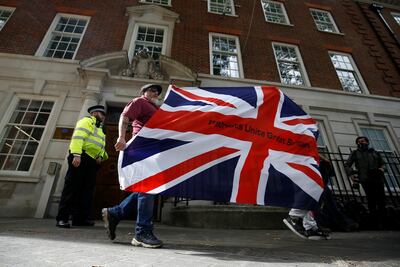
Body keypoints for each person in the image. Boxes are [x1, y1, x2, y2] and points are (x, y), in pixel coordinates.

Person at [102, 84, 163, 248]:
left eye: (157, 91)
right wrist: (121, 137)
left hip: (152, 150)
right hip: (141, 148)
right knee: (148, 186)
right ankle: (142, 232)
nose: (155, 92)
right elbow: (125, 116)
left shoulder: (157, 110)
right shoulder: (139, 102)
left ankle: (115, 213)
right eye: (152, 90)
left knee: (148, 187)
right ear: (143, 92)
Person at [56, 105, 108, 228]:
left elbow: (100, 146)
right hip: (81, 157)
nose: (104, 117)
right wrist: (77, 155)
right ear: (95, 113)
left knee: (86, 191)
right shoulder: (86, 121)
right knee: (71, 189)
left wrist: (101, 156)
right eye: (102, 114)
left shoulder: (101, 128)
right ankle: (62, 218)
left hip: (92, 161)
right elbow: (78, 138)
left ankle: (80, 219)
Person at [345, 136, 386, 228]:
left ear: (367, 142)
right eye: (358, 142)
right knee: (371, 200)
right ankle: (374, 223)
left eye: (363, 141)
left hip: (377, 177)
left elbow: (383, 163)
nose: (361, 143)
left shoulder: (374, 152)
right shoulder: (355, 153)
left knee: (381, 200)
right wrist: (352, 175)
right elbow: (347, 165)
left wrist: (382, 168)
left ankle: (383, 222)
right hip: (365, 179)